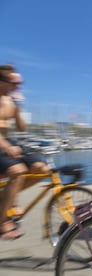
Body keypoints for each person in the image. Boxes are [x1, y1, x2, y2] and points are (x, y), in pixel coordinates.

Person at [0, 64, 50, 240]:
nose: (19, 86)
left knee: (42, 169)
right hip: (2, 144)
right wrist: (7, 147)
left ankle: (6, 197)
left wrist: (19, 107)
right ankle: (2, 221)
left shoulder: (10, 100)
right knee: (18, 172)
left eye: (20, 83)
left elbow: (21, 128)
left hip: (7, 142)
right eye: (15, 83)